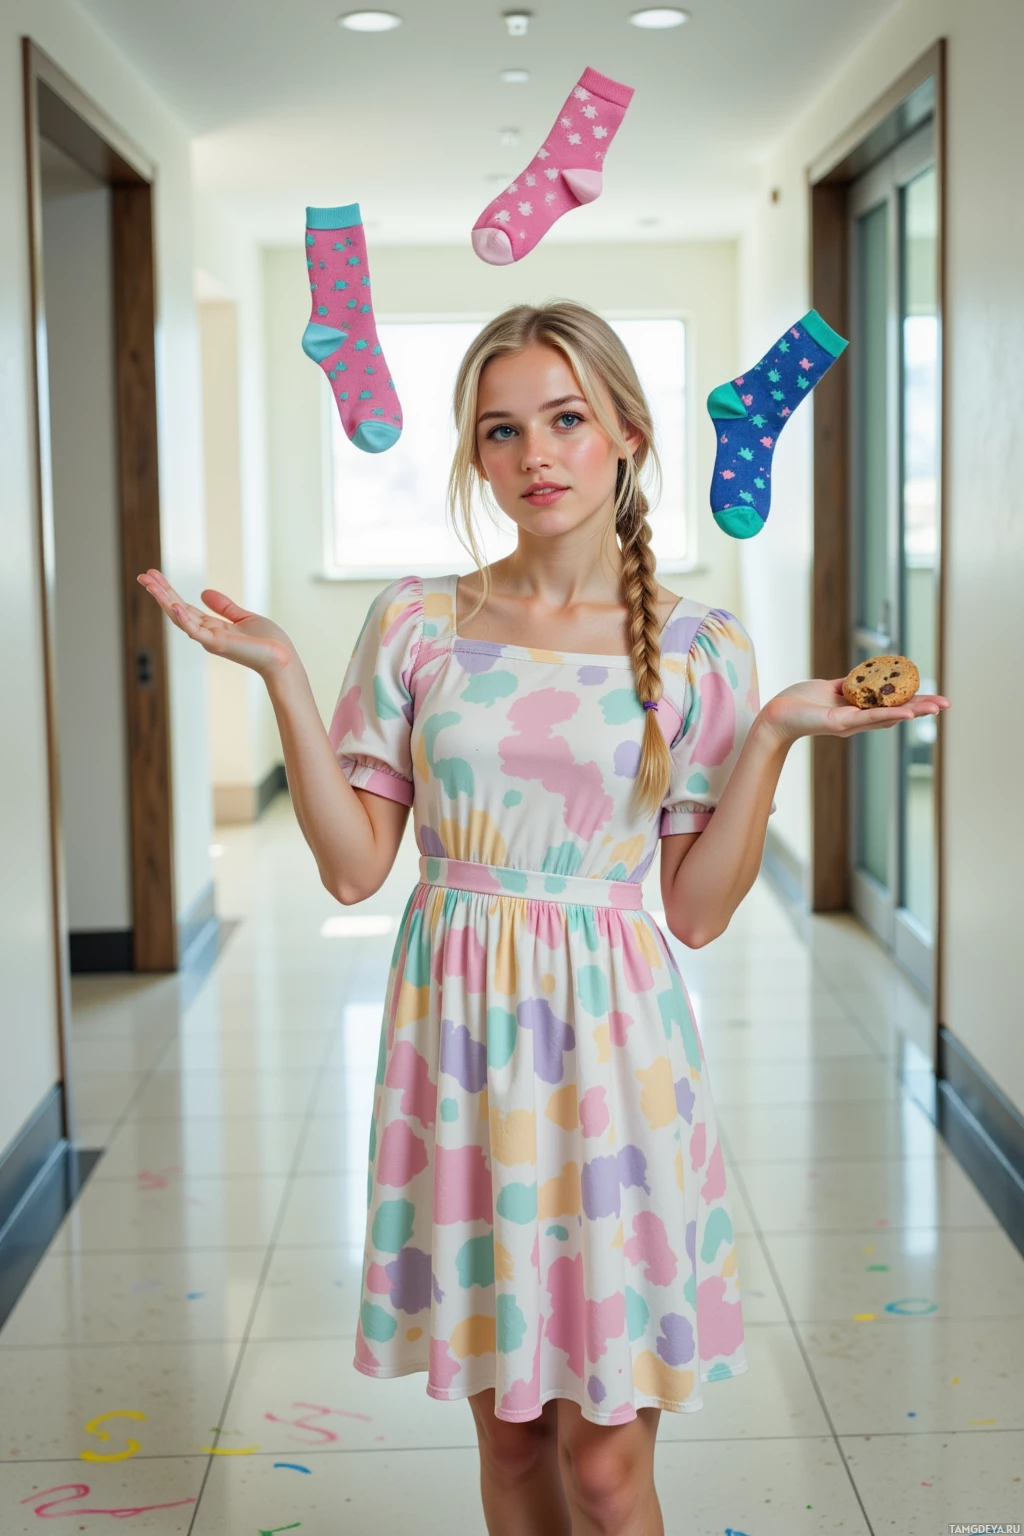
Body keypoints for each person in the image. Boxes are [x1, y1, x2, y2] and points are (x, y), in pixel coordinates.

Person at [138, 300, 949, 1535]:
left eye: (566, 419)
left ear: (626, 432)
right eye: (502, 430)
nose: (537, 456)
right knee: (512, 1446)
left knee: (608, 1469)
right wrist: (287, 679)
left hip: (615, 1068)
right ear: (474, 455)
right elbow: (356, 871)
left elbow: (696, 911)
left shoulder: (698, 648)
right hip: (455, 1062)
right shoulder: (417, 624)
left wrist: (777, 733)